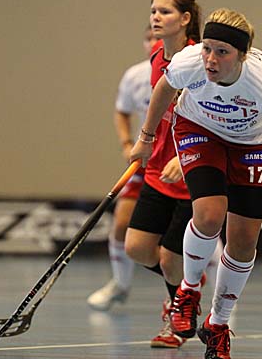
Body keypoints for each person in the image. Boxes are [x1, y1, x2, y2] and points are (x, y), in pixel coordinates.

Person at [131, 8, 262, 359]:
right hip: (199, 129)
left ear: (242, 55)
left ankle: (218, 324)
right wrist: (146, 138)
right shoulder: (190, 61)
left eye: (222, 52)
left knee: (243, 242)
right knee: (209, 214)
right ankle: (188, 291)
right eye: (207, 48)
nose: (210, 59)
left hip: (253, 144)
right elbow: (165, 87)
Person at [124, 0, 222, 349]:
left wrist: (184, 158)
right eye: (153, 10)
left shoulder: (199, 61)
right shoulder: (156, 56)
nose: (155, 17)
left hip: (191, 172)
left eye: (164, 11)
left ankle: (178, 317)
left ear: (184, 19)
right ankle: (186, 286)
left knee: (169, 258)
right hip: (157, 170)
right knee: (136, 247)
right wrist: (145, 143)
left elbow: (213, 117)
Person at [86, 25, 157, 311]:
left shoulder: (187, 70)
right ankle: (120, 284)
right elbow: (122, 110)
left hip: (180, 163)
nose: (153, 42)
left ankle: (217, 299)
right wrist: (127, 142)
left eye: (158, 37)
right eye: (148, 38)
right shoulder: (135, 75)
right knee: (121, 224)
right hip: (145, 163)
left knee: (200, 228)